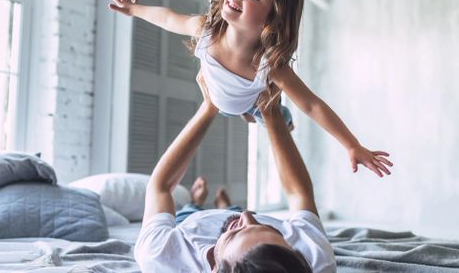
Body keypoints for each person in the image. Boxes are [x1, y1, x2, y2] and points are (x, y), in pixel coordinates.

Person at [108, 0, 393, 177]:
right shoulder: (206, 30)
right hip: (218, 97)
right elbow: (169, 17)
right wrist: (133, 9)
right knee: (234, 109)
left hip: (249, 102)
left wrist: (352, 144)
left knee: (270, 111)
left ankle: (269, 116)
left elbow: (312, 104)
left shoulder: (269, 66)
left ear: (272, 19)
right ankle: (247, 112)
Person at [133, 74, 337, 272]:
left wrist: (209, 107)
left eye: (235, 233)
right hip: (230, 227)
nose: (247, 215)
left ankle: (197, 201)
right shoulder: (314, 259)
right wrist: (270, 111)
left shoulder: (162, 255)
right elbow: (299, 193)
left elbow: (161, 187)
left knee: (188, 210)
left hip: (191, 224)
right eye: (273, 231)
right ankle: (226, 205)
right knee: (236, 210)